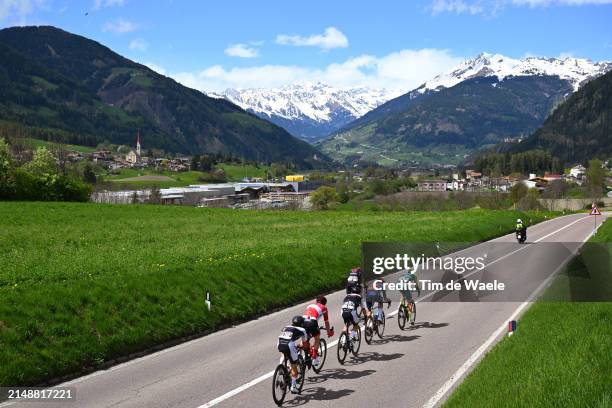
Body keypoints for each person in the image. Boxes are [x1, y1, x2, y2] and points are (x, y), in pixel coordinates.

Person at [277, 316, 308, 394]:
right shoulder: (302, 329)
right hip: (289, 344)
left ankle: (281, 367)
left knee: (284, 354)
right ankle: (293, 387)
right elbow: (305, 344)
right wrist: (301, 346)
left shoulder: (286, 326)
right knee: (294, 367)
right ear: (301, 323)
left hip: (279, 343)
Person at [302, 295, 334, 367]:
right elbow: (326, 321)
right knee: (317, 337)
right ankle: (314, 357)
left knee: (304, 339)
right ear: (324, 303)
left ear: (316, 301)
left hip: (302, 321)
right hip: (312, 322)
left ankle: (299, 355)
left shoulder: (310, 305)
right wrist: (328, 332)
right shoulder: (324, 308)